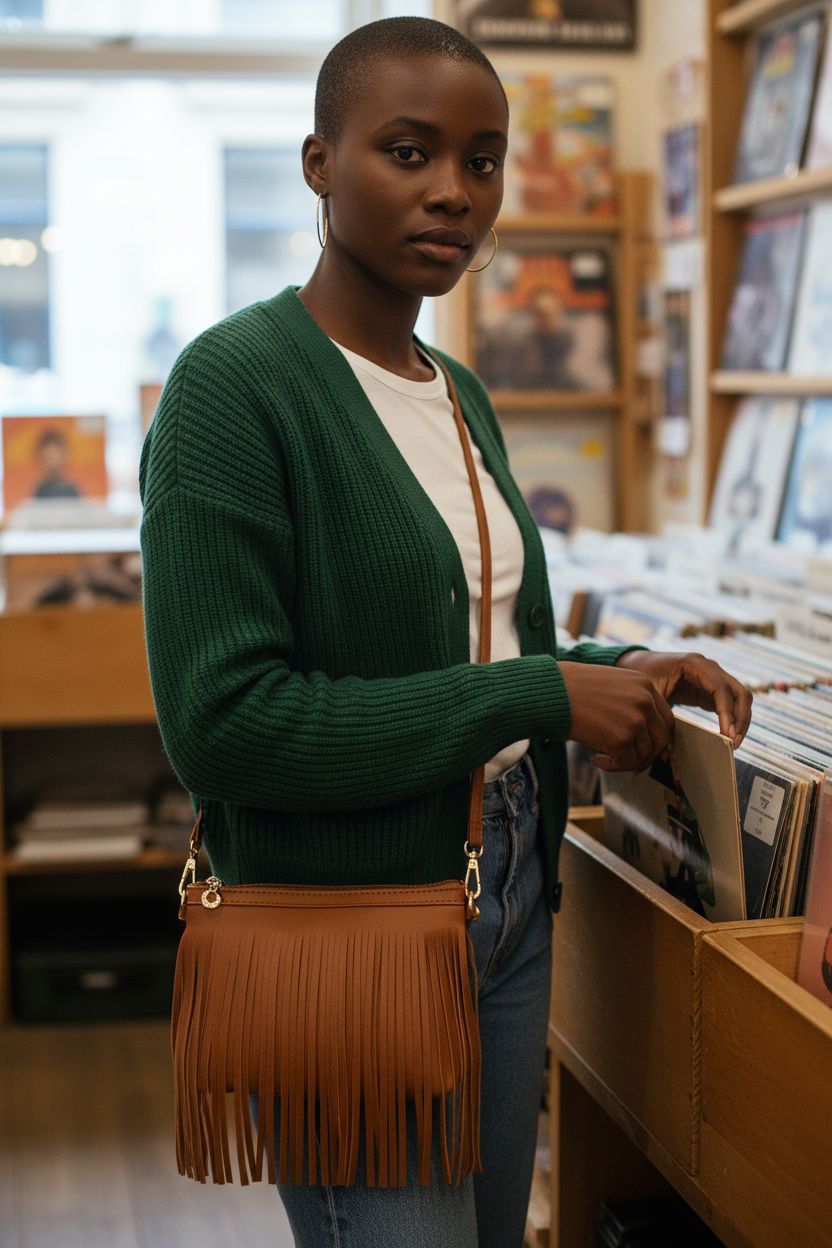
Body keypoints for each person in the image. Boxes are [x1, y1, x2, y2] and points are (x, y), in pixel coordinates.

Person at [139, 17, 751, 1248]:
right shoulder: (233, 385)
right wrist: (538, 697)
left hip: (509, 877)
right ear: (319, 162)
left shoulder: (454, 390)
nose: (452, 194)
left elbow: (473, 652)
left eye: (481, 161)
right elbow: (226, 728)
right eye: (407, 151)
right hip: (346, 921)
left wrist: (612, 672)